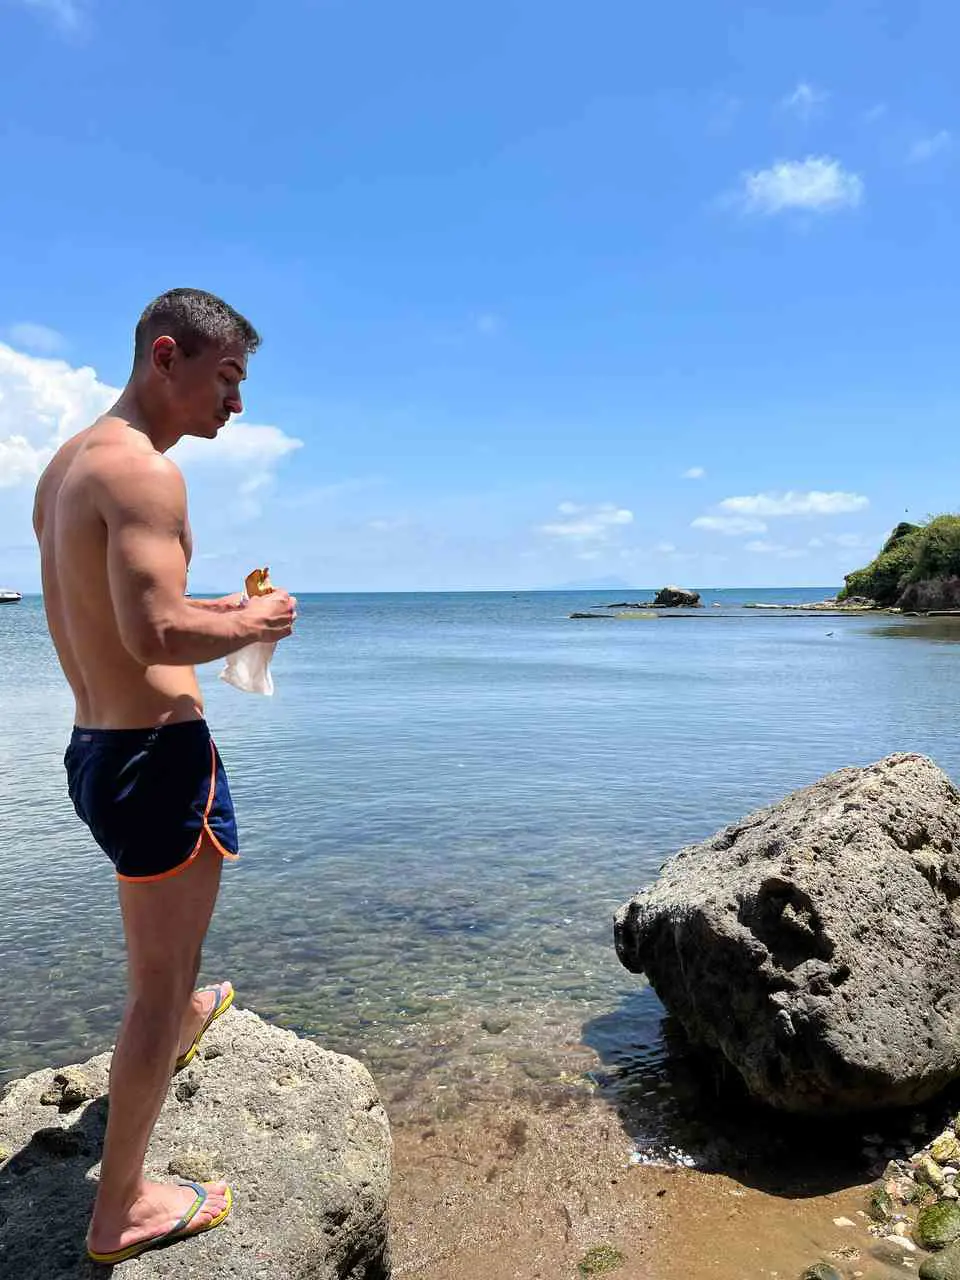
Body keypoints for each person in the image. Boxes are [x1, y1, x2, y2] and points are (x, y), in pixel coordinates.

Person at [32, 288, 297, 1265]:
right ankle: (123, 1208)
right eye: (226, 378)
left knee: (168, 958)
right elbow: (154, 633)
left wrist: (216, 610)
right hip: (155, 756)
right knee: (154, 985)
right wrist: (256, 622)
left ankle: (186, 1011)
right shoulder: (147, 471)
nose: (237, 403)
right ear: (166, 356)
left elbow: (118, 613)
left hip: (99, 748)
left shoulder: (72, 463)